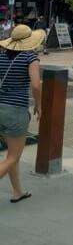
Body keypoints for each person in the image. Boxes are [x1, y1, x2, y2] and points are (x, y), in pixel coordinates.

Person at [0, 24, 43, 202]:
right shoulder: (30, 57)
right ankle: (18, 191)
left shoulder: (2, 57)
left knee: (12, 154)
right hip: (15, 111)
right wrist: (39, 105)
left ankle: (18, 192)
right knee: (13, 156)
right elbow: (35, 84)